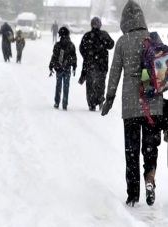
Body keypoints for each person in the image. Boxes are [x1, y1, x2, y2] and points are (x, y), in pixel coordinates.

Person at [101, 0, 162, 207]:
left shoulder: (122, 42)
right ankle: (150, 178)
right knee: (151, 147)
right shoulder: (153, 38)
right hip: (153, 104)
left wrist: (109, 98)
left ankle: (133, 194)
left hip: (131, 106)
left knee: (132, 150)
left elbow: (115, 72)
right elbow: (162, 70)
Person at [80, 17, 115, 111]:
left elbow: (81, 49)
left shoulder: (87, 36)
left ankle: (92, 103)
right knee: (100, 84)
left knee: (90, 85)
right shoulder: (104, 34)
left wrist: (87, 56)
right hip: (102, 65)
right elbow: (111, 45)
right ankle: (100, 100)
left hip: (90, 65)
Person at [49, 27, 77, 110]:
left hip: (59, 68)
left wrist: (51, 66)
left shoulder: (58, 45)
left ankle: (57, 102)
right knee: (66, 86)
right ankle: (65, 103)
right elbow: (74, 57)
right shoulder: (71, 45)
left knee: (58, 85)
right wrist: (74, 66)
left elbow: (54, 57)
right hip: (67, 68)